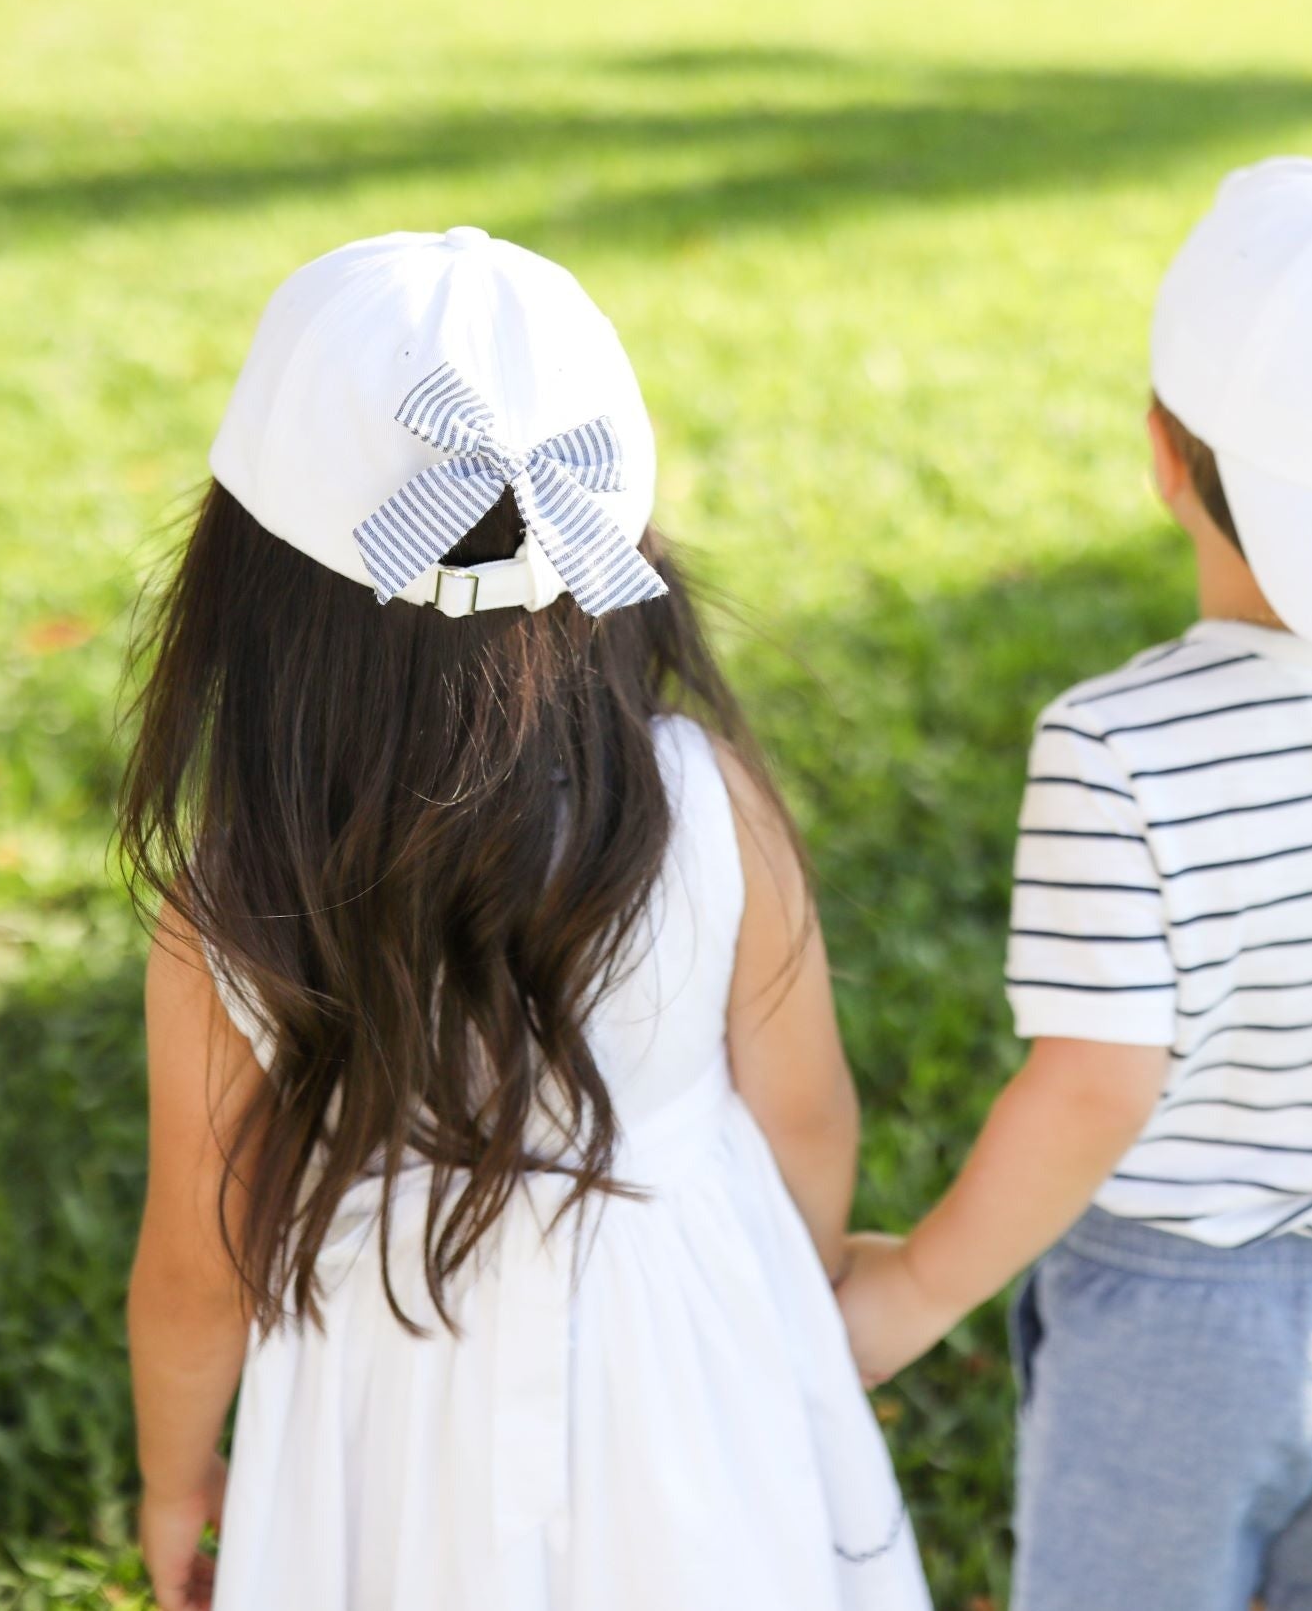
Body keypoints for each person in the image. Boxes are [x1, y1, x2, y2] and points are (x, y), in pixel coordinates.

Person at [837, 159, 1312, 1611]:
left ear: (1163, 451)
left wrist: (925, 1283)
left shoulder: (1119, 743)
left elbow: (1094, 1087)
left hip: (1170, 1330)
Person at [121, 228, 930, 1611]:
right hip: (681, 1353)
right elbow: (807, 1123)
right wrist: (783, 1311)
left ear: (249, 572)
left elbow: (203, 1258)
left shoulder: (236, 895)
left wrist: (176, 1481)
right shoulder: (702, 797)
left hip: (389, 1386)